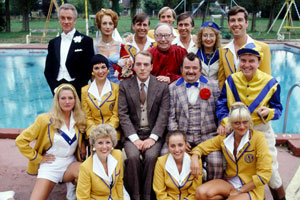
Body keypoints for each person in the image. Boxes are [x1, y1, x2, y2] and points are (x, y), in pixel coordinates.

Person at [216, 43, 285, 200]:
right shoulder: (231, 81)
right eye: (243, 60)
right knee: (238, 168)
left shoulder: (271, 82)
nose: (247, 65)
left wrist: (269, 112)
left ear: (259, 62)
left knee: (271, 170)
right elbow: (221, 105)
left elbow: (278, 109)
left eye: (251, 61)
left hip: (261, 130)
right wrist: (226, 122)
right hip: (236, 131)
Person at [15, 83, 86, 200]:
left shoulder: (79, 118)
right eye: (63, 98)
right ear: (57, 100)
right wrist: (39, 158)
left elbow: (84, 133)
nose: (67, 102)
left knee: (87, 173)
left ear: (75, 100)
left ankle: (72, 191)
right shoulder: (44, 119)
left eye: (70, 98)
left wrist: (83, 143)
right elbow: (20, 141)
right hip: (51, 165)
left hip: (70, 162)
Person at [191, 102, 273, 200]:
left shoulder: (258, 138)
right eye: (237, 123)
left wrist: (240, 190)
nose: (242, 126)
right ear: (231, 123)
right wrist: (195, 156)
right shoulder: (225, 138)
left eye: (245, 122)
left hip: (251, 187)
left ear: (250, 122)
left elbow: (265, 174)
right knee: (201, 193)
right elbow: (202, 147)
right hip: (230, 182)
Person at [118, 51, 170, 200]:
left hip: (153, 133)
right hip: (132, 134)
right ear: (133, 67)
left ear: (151, 67)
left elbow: (163, 114)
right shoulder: (125, 85)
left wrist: (152, 138)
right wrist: (135, 139)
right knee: (132, 157)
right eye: (139, 64)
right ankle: (135, 196)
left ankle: (148, 196)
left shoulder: (161, 86)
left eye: (146, 64)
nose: (142, 68)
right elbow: (123, 114)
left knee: (151, 156)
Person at [167, 52, 222, 181]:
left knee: (216, 161)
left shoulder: (214, 86)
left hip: (208, 137)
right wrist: (179, 140)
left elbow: (221, 112)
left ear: (200, 70)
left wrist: (221, 127)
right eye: (187, 68)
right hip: (182, 138)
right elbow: (170, 117)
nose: (191, 71)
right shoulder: (172, 88)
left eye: (194, 68)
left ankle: (212, 193)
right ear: (181, 69)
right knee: (165, 155)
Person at [44, 3, 94, 97]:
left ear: (74, 20)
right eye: (63, 18)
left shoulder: (86, 41)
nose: (66, 21)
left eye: (69, 18)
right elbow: (48, 70)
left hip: (77, 90)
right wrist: (55, 88)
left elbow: (87, 70)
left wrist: (74, 90)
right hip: (57, 90)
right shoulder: (53, 43)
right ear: (59, 20)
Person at [218, 6, 271, 89]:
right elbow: (221, 81)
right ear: (228, 25)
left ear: (246, 23)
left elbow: (267, 81)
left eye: (240, 20)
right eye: (232, 20)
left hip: (254, 100)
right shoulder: (223, 50)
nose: (236, 24)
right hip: (230, 100)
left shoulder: (263, 48)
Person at [76, 124, 123, 199]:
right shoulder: (85, 167)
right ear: (94, 145)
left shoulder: (118, 155)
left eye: (108, 142)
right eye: (100, 143)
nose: (104, 147)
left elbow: (119, 183)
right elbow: (82, 197)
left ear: (112, 144)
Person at [153, 131, 202, 200]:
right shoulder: (161, 162)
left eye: (180, 145)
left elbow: (195, 192)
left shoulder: (196, 162)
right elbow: (160, 193)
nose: (177, 150)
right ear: (168, 147)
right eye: (172, 146)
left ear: (186, 144)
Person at [81, 54, 119, 139]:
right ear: (92, 71)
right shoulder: (84, 90)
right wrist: (96, 132)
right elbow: (87, 116)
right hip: (93, 134)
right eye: (96, 68)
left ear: (108, 69)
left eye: (103, 67)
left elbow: (116, 115)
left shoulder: (116, 88)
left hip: (112, 133)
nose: (100, 71)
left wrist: (107, 130)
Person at [94, 8, 122, 84]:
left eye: (110, 23)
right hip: (101, 87)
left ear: (114, 26)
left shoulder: (121, 46)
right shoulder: (94, 48)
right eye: (104, 23)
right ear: (99, 25)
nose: (107, 27)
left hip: (119, 87)